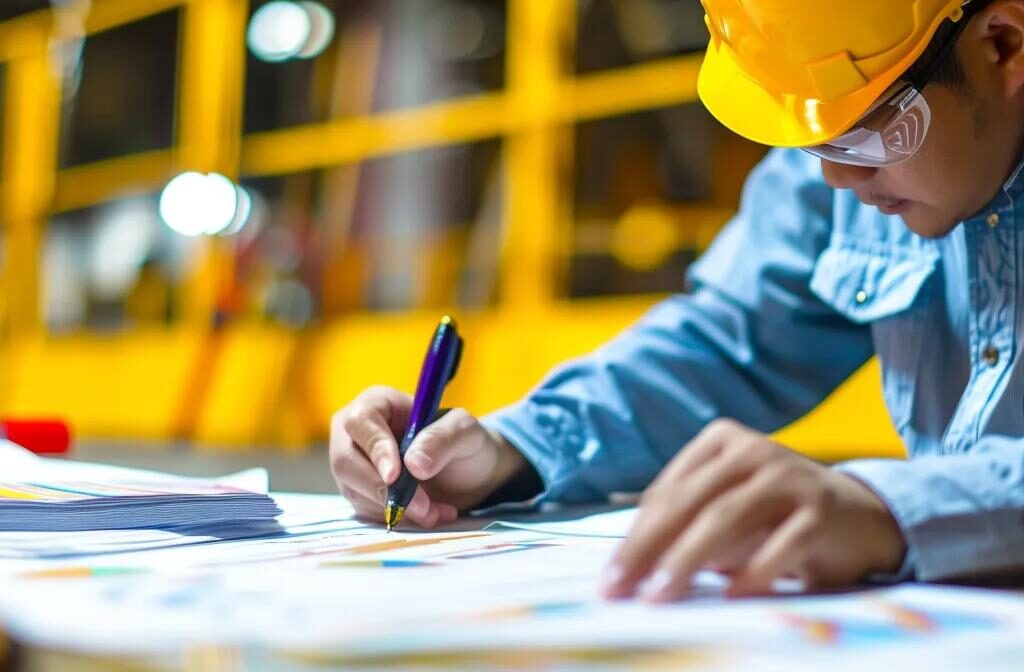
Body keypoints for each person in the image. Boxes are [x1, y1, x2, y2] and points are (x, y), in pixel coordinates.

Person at [330, 0, 1024, 601]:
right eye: (808, 137)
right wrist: (513, 450)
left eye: (867, 126)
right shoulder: (856, 149)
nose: (839, 175)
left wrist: (895, 511)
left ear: (1004, 44)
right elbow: (724, 340)